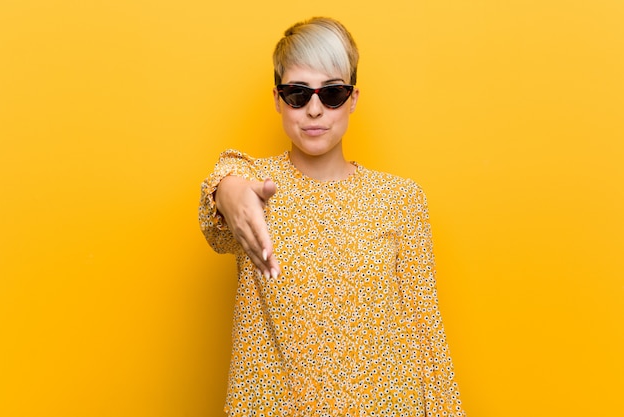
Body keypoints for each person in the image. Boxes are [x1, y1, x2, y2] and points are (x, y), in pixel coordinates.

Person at [199, 16, 466, 417]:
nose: (314, 109)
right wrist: (227, 190)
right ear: (277, 98)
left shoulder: (401, 199)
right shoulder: (254, 187)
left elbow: (424, 328)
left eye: (333, 93)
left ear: (353, 98)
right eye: (297, 93)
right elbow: (216, 212)